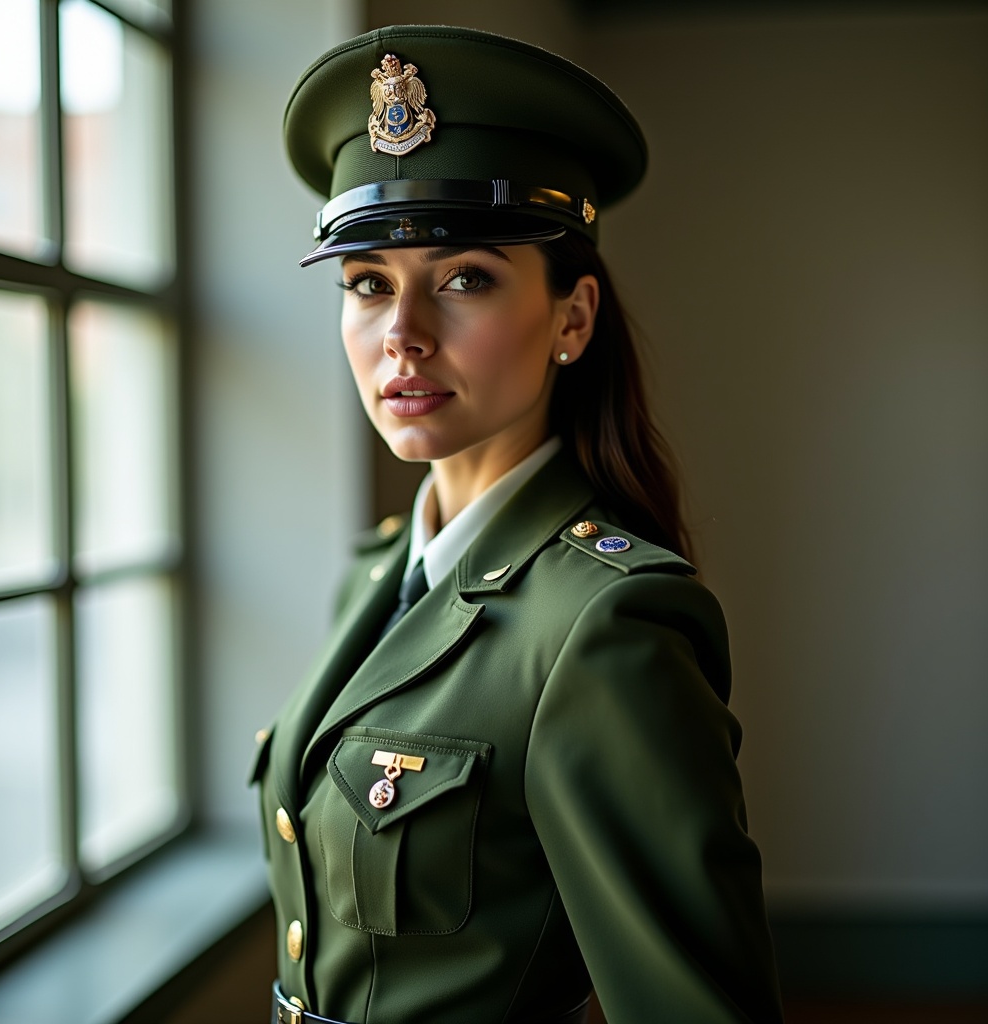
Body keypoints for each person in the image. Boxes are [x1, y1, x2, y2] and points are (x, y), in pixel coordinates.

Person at [250, 24, 783, 1024]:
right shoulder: (377, 574)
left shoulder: (604, 624)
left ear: (573, 319)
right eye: (367, 284)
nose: (401, 335)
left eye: (463, 279)